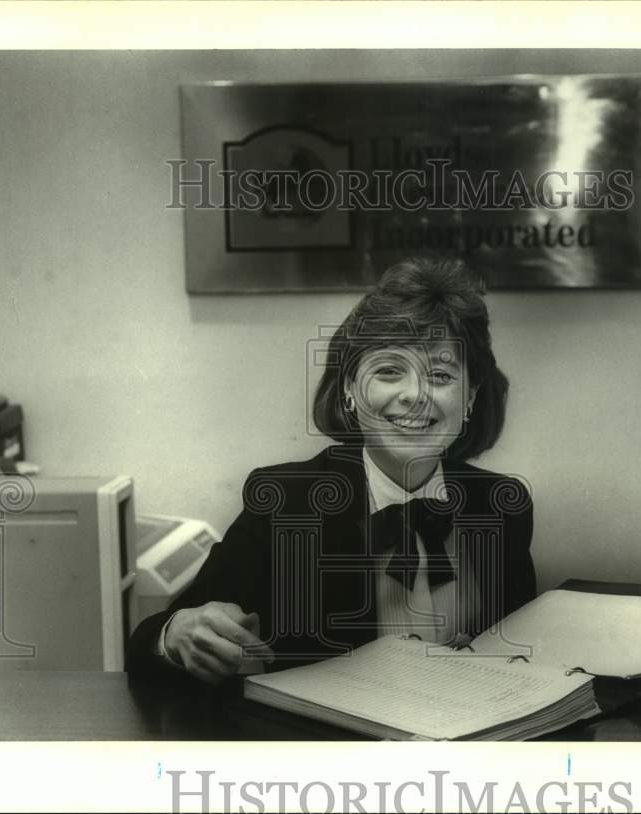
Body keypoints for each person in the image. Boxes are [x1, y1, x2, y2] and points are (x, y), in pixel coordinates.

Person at [126, 257, 536, 686]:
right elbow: (146, 650)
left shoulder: (502, 505)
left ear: (469, 397)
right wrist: (176, 637)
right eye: (390, 371)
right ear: (349, 390)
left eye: (440, 374)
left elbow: (519, 658)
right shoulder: (287, 503)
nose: (415, 395)